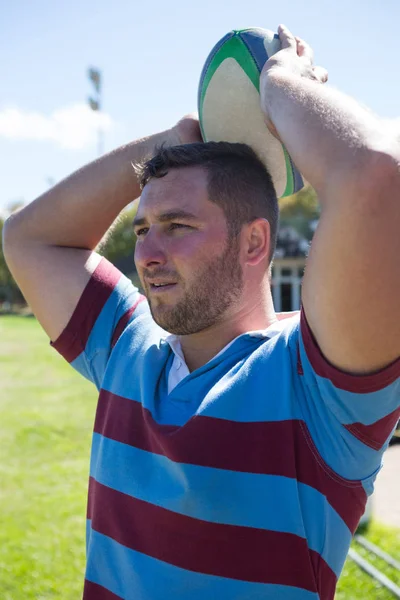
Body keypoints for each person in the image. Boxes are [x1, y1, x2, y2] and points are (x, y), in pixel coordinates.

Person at [3, 24, 400, 600]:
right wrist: (163, 146)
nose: (146, 253)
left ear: (254, 244)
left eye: (177, 226)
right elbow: (28, 239)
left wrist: (281, 82)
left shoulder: (315, 387)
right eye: (142, 228)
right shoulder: (126, 346)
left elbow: (375, 178)